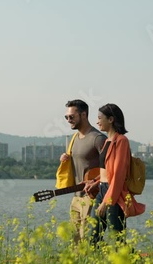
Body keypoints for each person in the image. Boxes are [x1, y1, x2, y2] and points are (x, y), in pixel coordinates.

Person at [85, 103, 146, 245]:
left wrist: (107, 202)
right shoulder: (107, 141)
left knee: (116, 238)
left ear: (111, 119)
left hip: (115, 193)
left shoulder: (121, 141)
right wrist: (95, 182)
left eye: (100, 118)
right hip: (102, 189)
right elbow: (107, 171)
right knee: (93, 236)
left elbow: (118, 175)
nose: (97, 121)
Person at [60, 99, 106, 243]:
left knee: (88, 241)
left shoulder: (97, 138)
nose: (68, 120)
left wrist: (95, 182)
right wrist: (65, 158)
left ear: (84, 115)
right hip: (76, 197)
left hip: (92, 197)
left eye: (71, 117)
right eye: (66, 117)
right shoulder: (74, 139)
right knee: (74, 242)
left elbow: (111, 167)